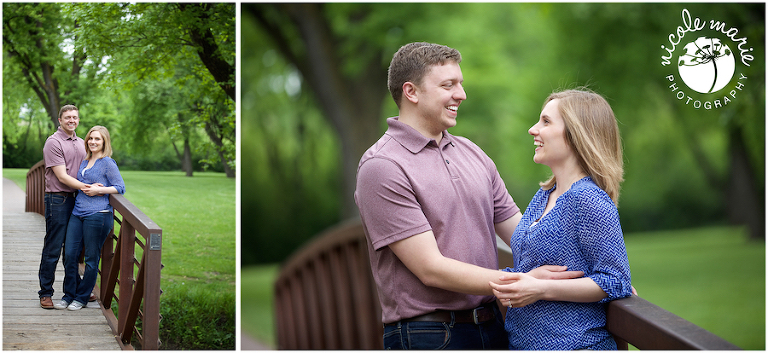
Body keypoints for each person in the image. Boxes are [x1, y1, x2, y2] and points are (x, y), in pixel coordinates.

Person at [354, 42, 583, 350]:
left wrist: (601, 276)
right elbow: (430, 268)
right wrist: (519, 282)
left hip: (493, 325)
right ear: (411, 92)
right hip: (428, 336)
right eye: (448, 85)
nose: (461, 94)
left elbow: (526, 235)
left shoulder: (472, 153)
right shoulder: (382, 166)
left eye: (460, 84)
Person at [489, 89, 633, 350]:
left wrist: (541, 288)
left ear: (576, 134)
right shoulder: (544, 195)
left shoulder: (588, 199)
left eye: (546, 121)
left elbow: (616, 281)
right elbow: (530, 268)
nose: (533, 130)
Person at [53, 126, 125, 311]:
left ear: (104, 142)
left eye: (97, 139)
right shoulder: (85, 161)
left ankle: (82, 297)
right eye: (91, 138)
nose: (93, 142)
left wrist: (98, 190)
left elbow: (120, 187)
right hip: (78, 213)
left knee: (92, 259)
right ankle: (68, 295)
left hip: (98, 215)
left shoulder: (108, 162)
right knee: (70, 255)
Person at [39, 105, 89, 309]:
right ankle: (45, 293)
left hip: (77, 199)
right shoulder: (53, 142)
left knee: (73, 249)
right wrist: (88, 187)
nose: (72, 120)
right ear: (59, 120)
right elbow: (61, 176)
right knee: (53, 248)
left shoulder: (81, 142)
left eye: (75, 117)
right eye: (67, 117)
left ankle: (75, 290)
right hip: (58, 199)